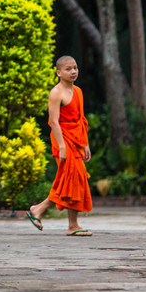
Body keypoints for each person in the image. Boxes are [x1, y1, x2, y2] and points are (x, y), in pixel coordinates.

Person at [25, 55, 93, 236]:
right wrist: (62, 146)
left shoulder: (78, 91)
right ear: (58, 72)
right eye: (68, 69)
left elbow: (81, 120)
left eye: (75, 68)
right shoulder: (56, 93)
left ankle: (47, 213)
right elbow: (54, 122)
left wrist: (85, 143)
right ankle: (60, 219)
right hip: (63, 141)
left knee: (74, 181)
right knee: (70, 179)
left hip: (77, 140)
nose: (73, 71)